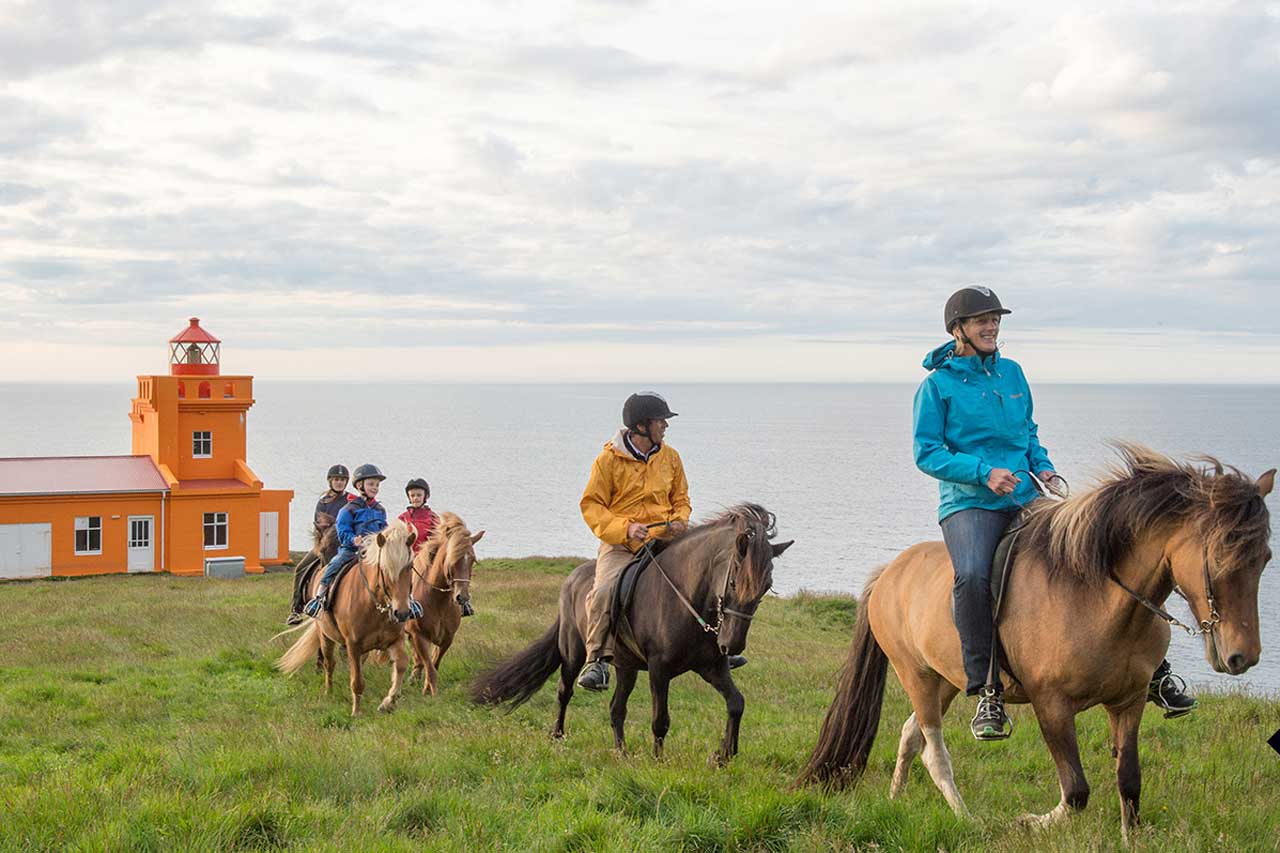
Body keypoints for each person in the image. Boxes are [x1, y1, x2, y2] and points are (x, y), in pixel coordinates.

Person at [912, 286, 1195, 741]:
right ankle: (987, 690)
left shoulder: (1012, 373)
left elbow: (1028, 432)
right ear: (958, 329)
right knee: (971, 576)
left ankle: (1155, 670)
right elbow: (927, 453)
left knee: (1097, 550)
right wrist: (983, 473)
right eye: (983, 320)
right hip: (970, 503)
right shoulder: (936, 387)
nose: (992, 327)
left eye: (996, 320)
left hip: (1027, 494)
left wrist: (1043, 466)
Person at [303, 463, 389, 617]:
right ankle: (319, 596)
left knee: (395, 568)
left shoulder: (380, 510)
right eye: (371, 484)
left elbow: (384, 528)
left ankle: (407, 600)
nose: (375, 487)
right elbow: (342, 530)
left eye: (377, 485)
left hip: (373, 551)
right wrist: (352, 539)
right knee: (335, 564)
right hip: (351, 550)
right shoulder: (348, 509)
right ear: (360, 485)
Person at [285, 464, 353, 625]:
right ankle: (296, 609)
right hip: (325, 545)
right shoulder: (323, 502)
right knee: (301, 567)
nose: (339, 483)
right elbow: (318, 524)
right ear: (330, 481)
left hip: (345, 545)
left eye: (342, 480)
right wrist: (323, 540)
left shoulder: (351, 501)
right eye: (336, 479)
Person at [399, 477, 438, 554]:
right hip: (406, 559)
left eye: (419, 495)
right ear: (409, 498)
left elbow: (438, 541)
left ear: (426, 496)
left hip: (425, 558)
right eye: (412, 496)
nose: (416, 498)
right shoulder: (402, 518)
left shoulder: (433, 518)